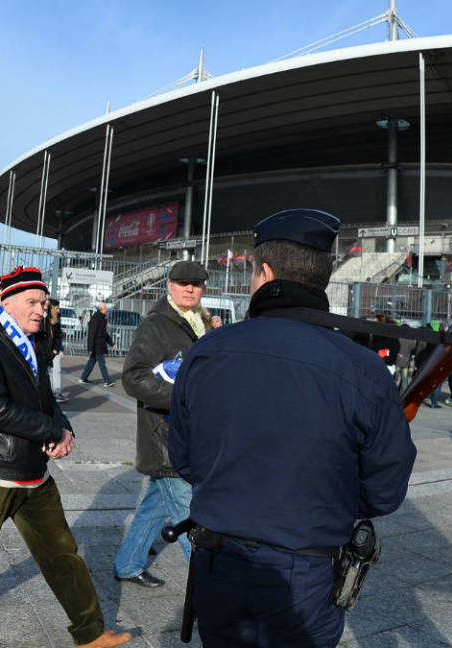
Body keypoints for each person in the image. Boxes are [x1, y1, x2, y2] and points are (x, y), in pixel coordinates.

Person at [168, 209, 416, 646]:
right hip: (306, 570)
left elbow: (185, 458)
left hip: (217, 562)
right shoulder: (362, 368)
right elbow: (385, 490)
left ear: (264, 271)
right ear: (321, 276)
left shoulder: (208, 352)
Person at [0, 266, 132, 648]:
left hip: (34, 473)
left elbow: (45, 397)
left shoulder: (33, 343)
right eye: (32, 302)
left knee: (62, 552)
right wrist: (50, 431)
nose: (41, 309)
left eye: (44, 302)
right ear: (6, 303)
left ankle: (90, 631)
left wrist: (65, 429)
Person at [113, 261, 214, 588]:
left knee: (155, 505)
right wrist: (183, 397)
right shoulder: (156, 324)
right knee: (190, 515)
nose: (190, 289)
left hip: (188, 433)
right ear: (169, 286)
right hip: (165, 435)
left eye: (196, 284)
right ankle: (210, 589)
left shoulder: (199, 322)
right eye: (183, 283)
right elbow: (134, 378)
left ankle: (128, 564)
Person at [79, 303, 114, 386]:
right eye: (106, 308)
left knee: (91, 362)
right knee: (102, 363)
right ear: (102, 309)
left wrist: (111, 343)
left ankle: (83, 378)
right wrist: (90, 348)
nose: (107, 310)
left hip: (99, 344)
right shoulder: (96, 319)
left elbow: (104, 333)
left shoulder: (102, 318)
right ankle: (107, 381)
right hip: (96, 345)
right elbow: (92, 334)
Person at [44, 300, 67, 403]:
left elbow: (59, 335)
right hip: (46, 351)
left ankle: (57, 393)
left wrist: (57, 349)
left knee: (56, 371)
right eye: (57, 308)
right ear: (52, 308)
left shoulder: (57, 319)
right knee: (47, 373)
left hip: (55, 350)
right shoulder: (44, 319)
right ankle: (48, 394)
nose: (59, 310)